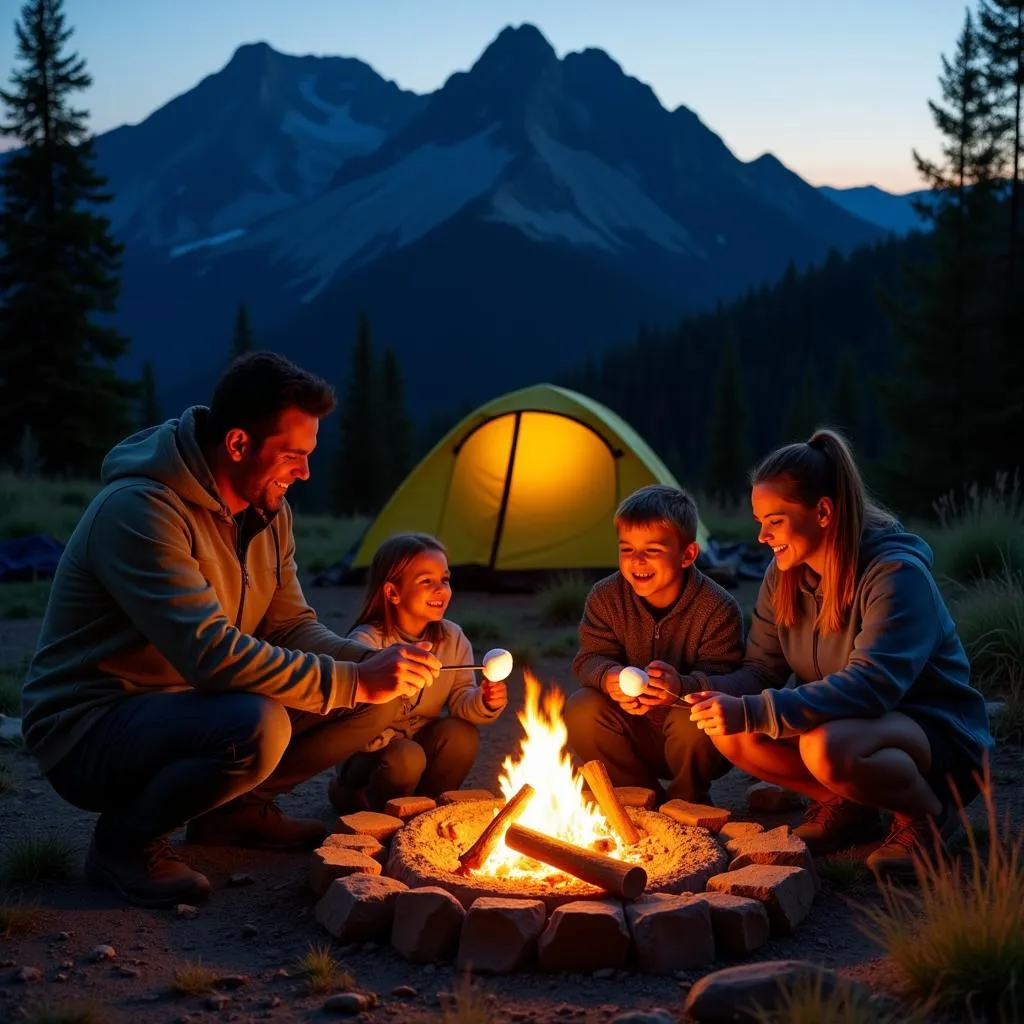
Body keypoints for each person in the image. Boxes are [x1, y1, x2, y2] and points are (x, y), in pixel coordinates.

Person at [20, 351, 441, 908]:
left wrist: (367, 668)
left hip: (196, 707)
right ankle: (124, 844)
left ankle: (237, 813)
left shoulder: (268, 511)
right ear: (239, 443)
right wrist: (354, 680)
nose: (305, 472)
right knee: (260, 722)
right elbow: (211, 656)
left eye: (310, 455)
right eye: (293, 455)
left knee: (378, 697)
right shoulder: (140, 511)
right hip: (92, 726)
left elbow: (289, 624)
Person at [685, 429, 994, 880]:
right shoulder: (783, 574)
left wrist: (755, 710)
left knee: (825, 746)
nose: (762, 536)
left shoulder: (895, 575)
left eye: (775, 520)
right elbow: (761, 669)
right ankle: (849, 806)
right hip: (852, 728)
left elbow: (872, 687)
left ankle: (929, 816)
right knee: (730, 734)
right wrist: (694, 689)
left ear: (824, 512)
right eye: (759, 521)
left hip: (936, 736)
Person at [564, 485, 745, 806]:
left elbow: (726, 679)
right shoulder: (606, 597)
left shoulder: (717, 607)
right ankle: (641, 798)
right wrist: (610, 678)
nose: (637, 561)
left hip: (696, 740)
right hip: (632, 731)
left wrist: (681, 686)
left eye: (653, 550)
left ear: (687, 555)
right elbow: (589, 659)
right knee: (581, 708)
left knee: (697, 717)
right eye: (627, 549)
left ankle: (689, 801)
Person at [328, 533, 507, 811]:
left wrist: (483, 700)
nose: (441, 589)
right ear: (392, 592)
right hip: (369, 751)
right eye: (426, 581)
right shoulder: (365, 643)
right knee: (408, 757)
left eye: (445, 580)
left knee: (462, 736)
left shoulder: (452, 637)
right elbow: (348, 719)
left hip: (416, 744)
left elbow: (461, 699)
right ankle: (369, 808)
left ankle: (424, 810)